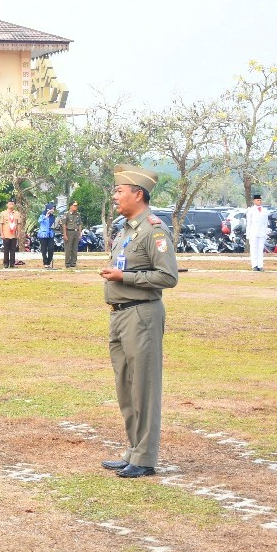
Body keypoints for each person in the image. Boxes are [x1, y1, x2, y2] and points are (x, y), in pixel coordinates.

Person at [99, 164, 177, 479]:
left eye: (120, 190)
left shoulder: (154, 230)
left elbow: (168, 276)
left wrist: (125, 276)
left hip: (142, 314)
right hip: (119, 315)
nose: (115, 196)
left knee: (143, 386)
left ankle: (145, 457)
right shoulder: (128, 228)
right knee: (126, 387)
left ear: (138, 194)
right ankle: (133, 449)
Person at [246, 194, 269, 271]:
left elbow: (265, 223)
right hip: (253, 231)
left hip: (262, 231)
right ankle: (254, 265)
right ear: (254, 201)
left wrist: (265, 233)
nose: (259, 201)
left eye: (260, 200)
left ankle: (260, 265)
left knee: (260, 249)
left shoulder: (264, 210)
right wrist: (248, 234)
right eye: (257, 200)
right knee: (254, 249)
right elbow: (249, 223)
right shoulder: (251, 210)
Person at [62, 200, 84, 268]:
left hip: (76, 232)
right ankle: (67, 263)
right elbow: (64, 225)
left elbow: (79, 224)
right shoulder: (66, 214)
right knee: (68, 248)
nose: (76, 207)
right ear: (70, 206)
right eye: (74, 205)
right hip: (69, 232)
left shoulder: (78, 214)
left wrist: (80, 234)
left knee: (75, 248)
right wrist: (65, 234)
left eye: (76, 205)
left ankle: (73, 263)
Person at [0, 201, 21, 268]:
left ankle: (12, 263)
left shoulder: (17, 213)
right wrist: (1, 233)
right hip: (6, 234)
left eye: (12, 204)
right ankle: (6, 263)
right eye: (10, 204)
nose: (11, 205)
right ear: (7, 205)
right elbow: (1, 224)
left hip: (14, 234)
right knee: (6, 249)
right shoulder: (3, 213)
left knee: (13, 250)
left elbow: (18, 224)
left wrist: (18, 233)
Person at [38, 203, 56, 269]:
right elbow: (39, 221)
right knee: (44, 249)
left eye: (53, 209)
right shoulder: (42, 215)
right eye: (52, 209)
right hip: (43, 234)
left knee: (51, 248)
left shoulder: (53, 217)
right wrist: (46, 216)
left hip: (50, 234)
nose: (53, 210)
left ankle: (49, 262)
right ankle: (45, 262)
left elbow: (54, 225)